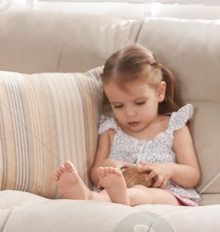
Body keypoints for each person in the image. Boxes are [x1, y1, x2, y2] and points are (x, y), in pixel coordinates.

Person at [53, 45, 202, 206]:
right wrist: (108, 166)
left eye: (139, 103)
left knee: (145, 193)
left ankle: (110, 198)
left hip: (166, 193)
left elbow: (193, 174)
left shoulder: (174, 127)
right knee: (111, 191)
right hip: (116, 189)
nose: (129, 113)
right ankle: (90, 197)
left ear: (160, 92)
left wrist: (169, 169)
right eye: (118, 106)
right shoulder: (111, 130)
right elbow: (95, 173)